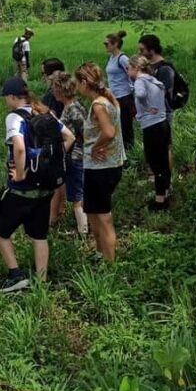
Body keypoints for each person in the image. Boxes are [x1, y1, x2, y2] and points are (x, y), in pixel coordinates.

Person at [0, 77, 74, 291]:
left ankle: (15, 275)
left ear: (11, 97)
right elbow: (70, 137)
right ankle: (41, 281)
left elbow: (19, 147)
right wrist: (48, 163)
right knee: (39, 234)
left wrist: (19, 173)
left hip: (22, 189)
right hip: (46, 187)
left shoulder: (14, 117)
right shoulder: (45, 112)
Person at [73, 62, 125, 261]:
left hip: (103, 167)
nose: (78, 87)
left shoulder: (98, 105)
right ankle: (100, 253)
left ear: (85, 82)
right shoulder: (108, 96)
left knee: (104, 218)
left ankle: (110, 263)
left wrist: (95, 147)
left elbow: (109, 132)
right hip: (105, 165)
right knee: (93, 210)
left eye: (78, 83)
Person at [127, 56, 171, 211]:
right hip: (163, 123)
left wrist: (145, 107)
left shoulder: (140, 81)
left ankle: (159, 202)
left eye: (128, 68)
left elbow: (139, 95)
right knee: (164, 161)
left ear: (136, 68)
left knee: (155, 162)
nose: (127, 71)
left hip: (152, 126)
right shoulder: (154, 80)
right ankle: (165, 193)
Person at [49, 72, 88, 234]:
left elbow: (85, 132)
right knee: (77, 192)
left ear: (61, 91)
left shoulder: (72, 109)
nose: (52, 92)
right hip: (75, 156)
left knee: (77, 195)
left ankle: (83, 230)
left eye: (54, 89)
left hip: (75, 156)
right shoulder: (74, 105)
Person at [138, 34, 175, 170]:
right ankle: (154, 175)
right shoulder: (147, 67)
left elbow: (162, 91)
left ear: (151, 50)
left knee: (165, 147)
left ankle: (166, 179)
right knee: (151, 147)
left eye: (142, 50)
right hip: (149, 113)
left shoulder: (165, 69)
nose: (140, 53)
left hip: (162, 113)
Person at [103, 30, 135, 151]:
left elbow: (132, 74)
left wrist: (133, 90)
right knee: (117, 126)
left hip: (124, 97)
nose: (105, 46)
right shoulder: (111, 58)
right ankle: (121, 150)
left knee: (125, 126)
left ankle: (130, 151)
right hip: (114, 97)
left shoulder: (122, 58)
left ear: (115, 44)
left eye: (107, 44)